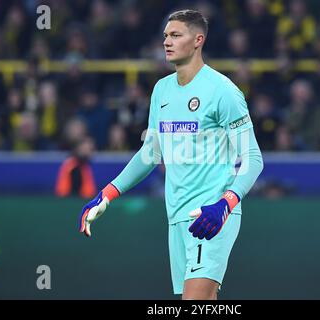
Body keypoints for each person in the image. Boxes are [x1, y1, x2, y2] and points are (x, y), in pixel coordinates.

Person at [78, 9, 263, 300]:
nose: (167, 42)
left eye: (176, 35)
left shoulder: (223, 91)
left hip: (212, 214)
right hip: (176, 217)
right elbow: (150, 153)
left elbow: (253, 158)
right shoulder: (161, 91)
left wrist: (226, 204)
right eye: (166, 36)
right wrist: (108, 194)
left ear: (198, 40)